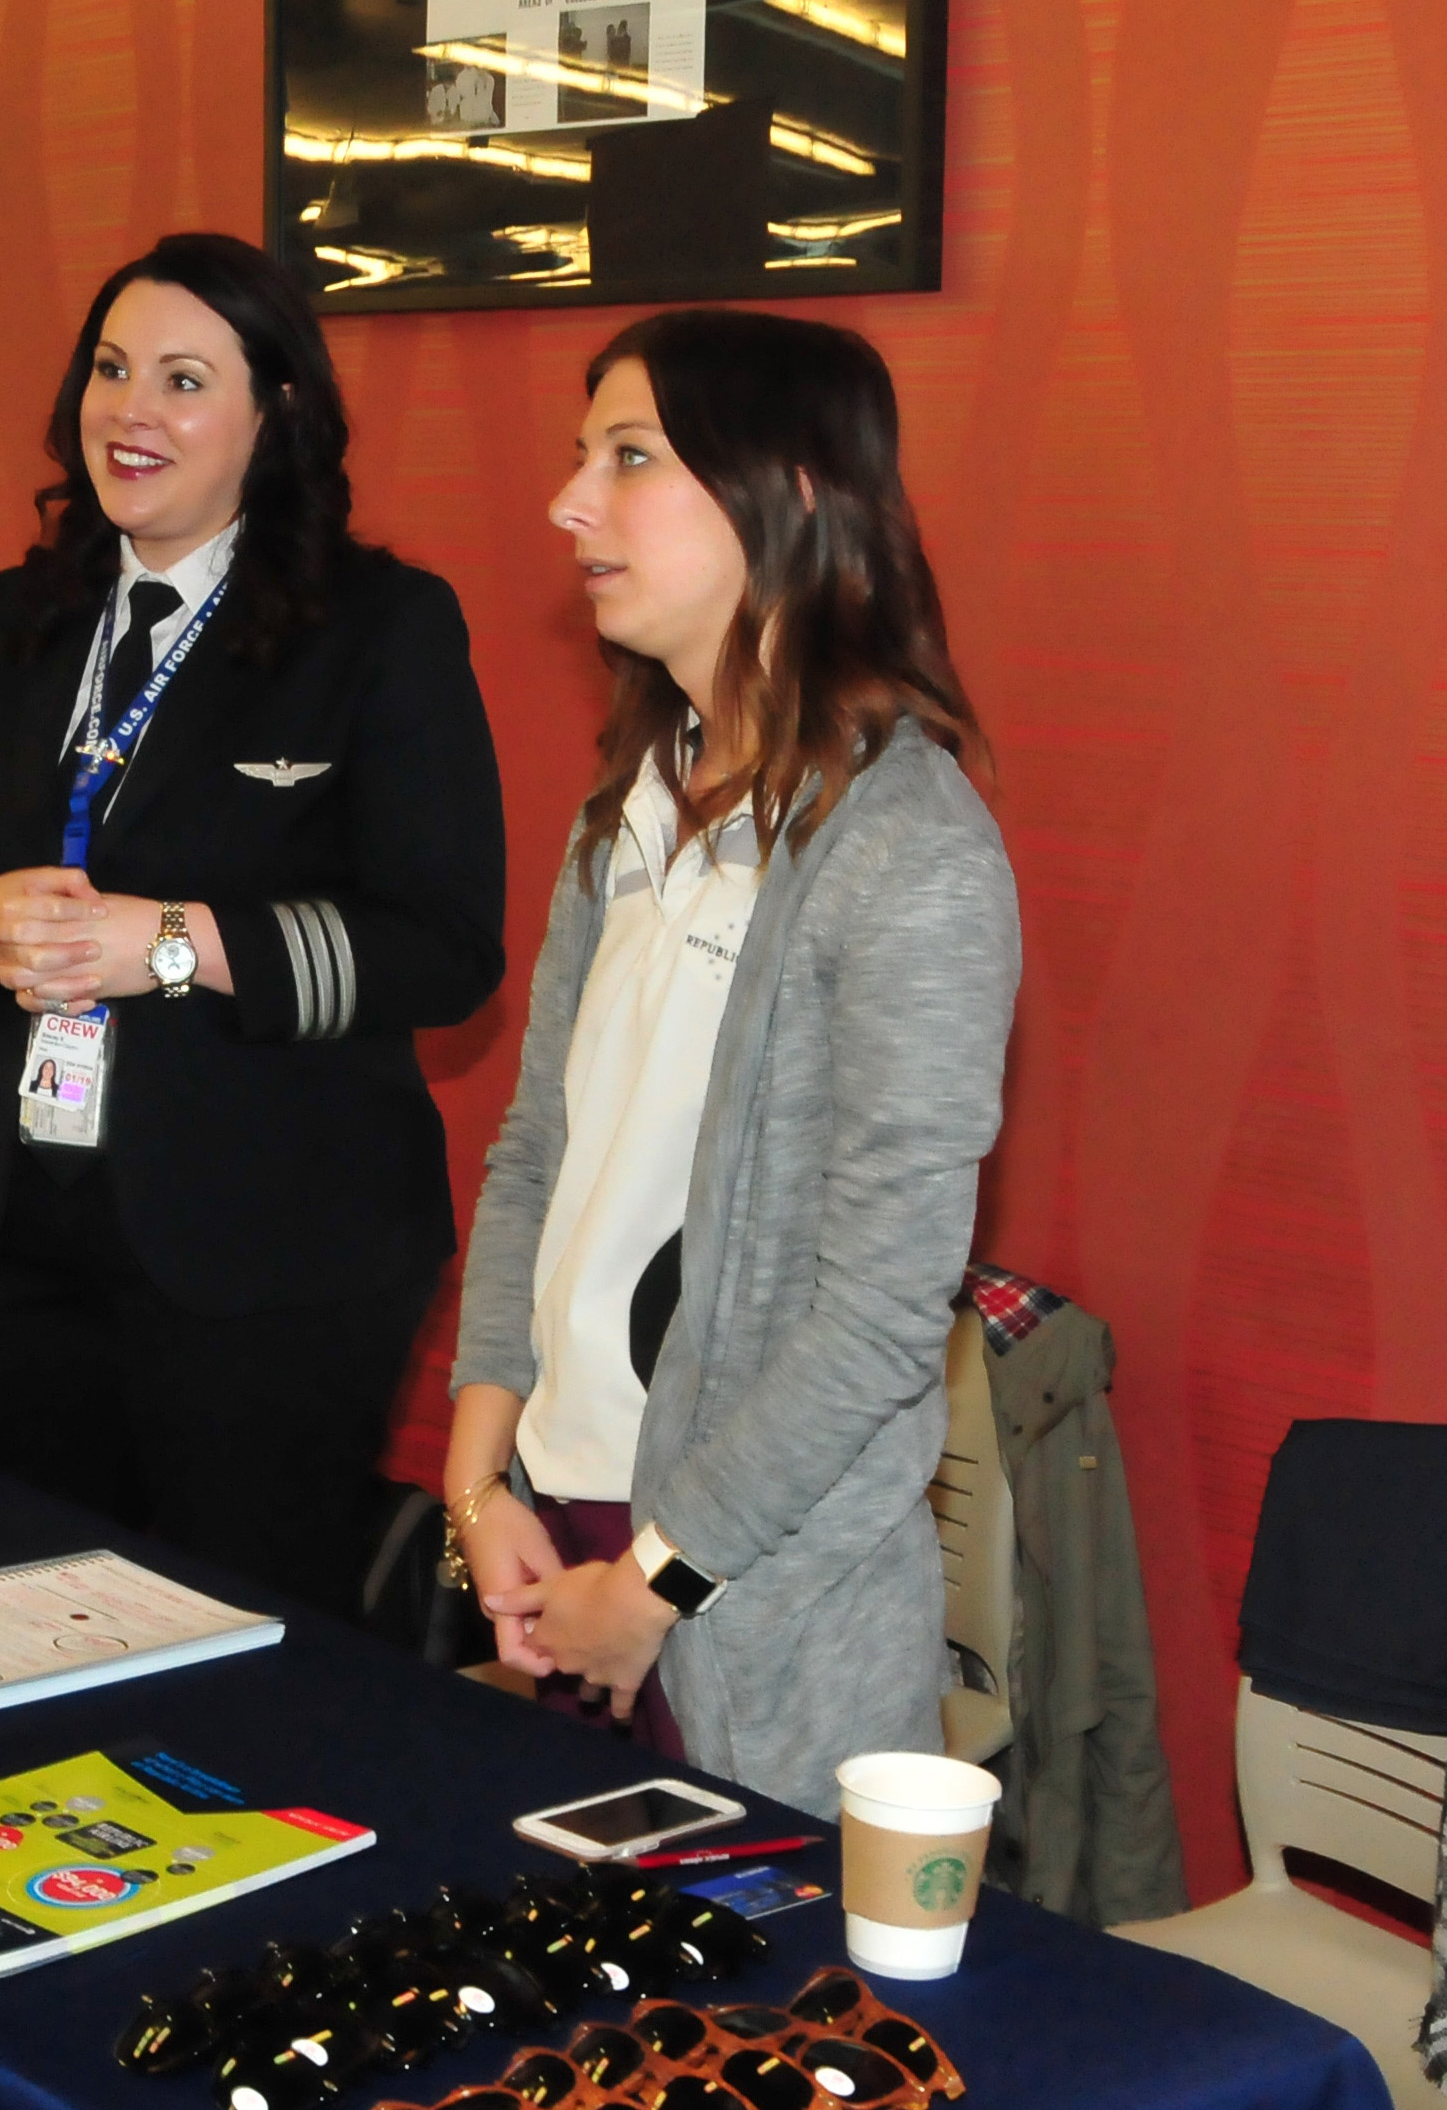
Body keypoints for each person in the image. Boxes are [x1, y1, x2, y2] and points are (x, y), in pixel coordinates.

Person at [442, 308, 1023, 1820]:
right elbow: (535, 1158)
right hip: (555, 1534)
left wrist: (656, 1580)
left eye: (630, 458)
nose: (572, 503)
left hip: (752, 1604)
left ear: (798, 494)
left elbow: (886, 1309)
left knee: (748, 2032)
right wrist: (477, 1482)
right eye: (583, 460)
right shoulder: (629, 809)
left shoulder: (912, 853)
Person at [0, 232, 504, 1617]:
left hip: (275, 1259)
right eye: (109, 371)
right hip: (34, 1233)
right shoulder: (9, 624)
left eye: (182, 378)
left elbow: (444, 947)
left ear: (273, 413)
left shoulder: (378, 628)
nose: (131, 413)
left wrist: (167, 943)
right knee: (21, 1615)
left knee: (230, 1644)